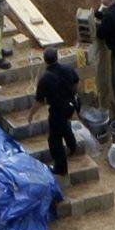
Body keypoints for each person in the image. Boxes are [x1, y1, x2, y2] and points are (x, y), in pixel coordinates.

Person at [29, 46, 80, 180]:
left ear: (45, 61)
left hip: (57, 111)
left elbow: (39, 101)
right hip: (70, 107)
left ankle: (61, 168)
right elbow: (76, 82)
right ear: (57, 57)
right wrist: (72, 95)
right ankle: (72, 145)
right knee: (64, 125)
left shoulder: (45, 79)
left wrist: (31, 115)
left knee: (54, 140)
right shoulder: (68, 69)